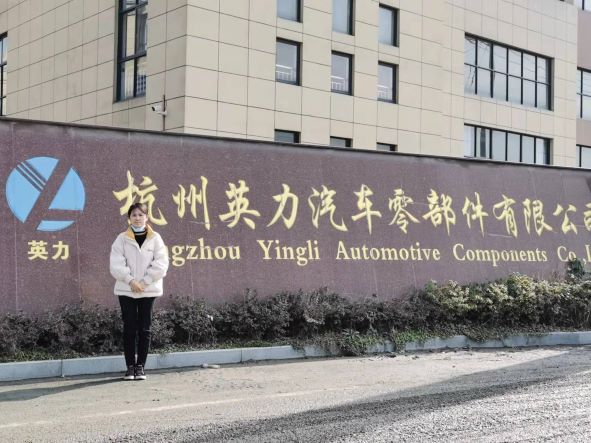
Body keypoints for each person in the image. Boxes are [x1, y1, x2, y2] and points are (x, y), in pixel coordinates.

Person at [110, 203, 169, 380]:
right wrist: (131, 281)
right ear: (129, 218)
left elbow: (161, 263)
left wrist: (145, 282)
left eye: (140, 215)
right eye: (134, 215)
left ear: (146, 217)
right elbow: (116, 264)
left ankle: (141, 367)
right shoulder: (121, 239)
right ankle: (130, 367)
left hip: (148, 290)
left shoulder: (156, 238)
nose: (137, 218)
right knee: (129, 328)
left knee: (145, 329)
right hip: (126, 290)